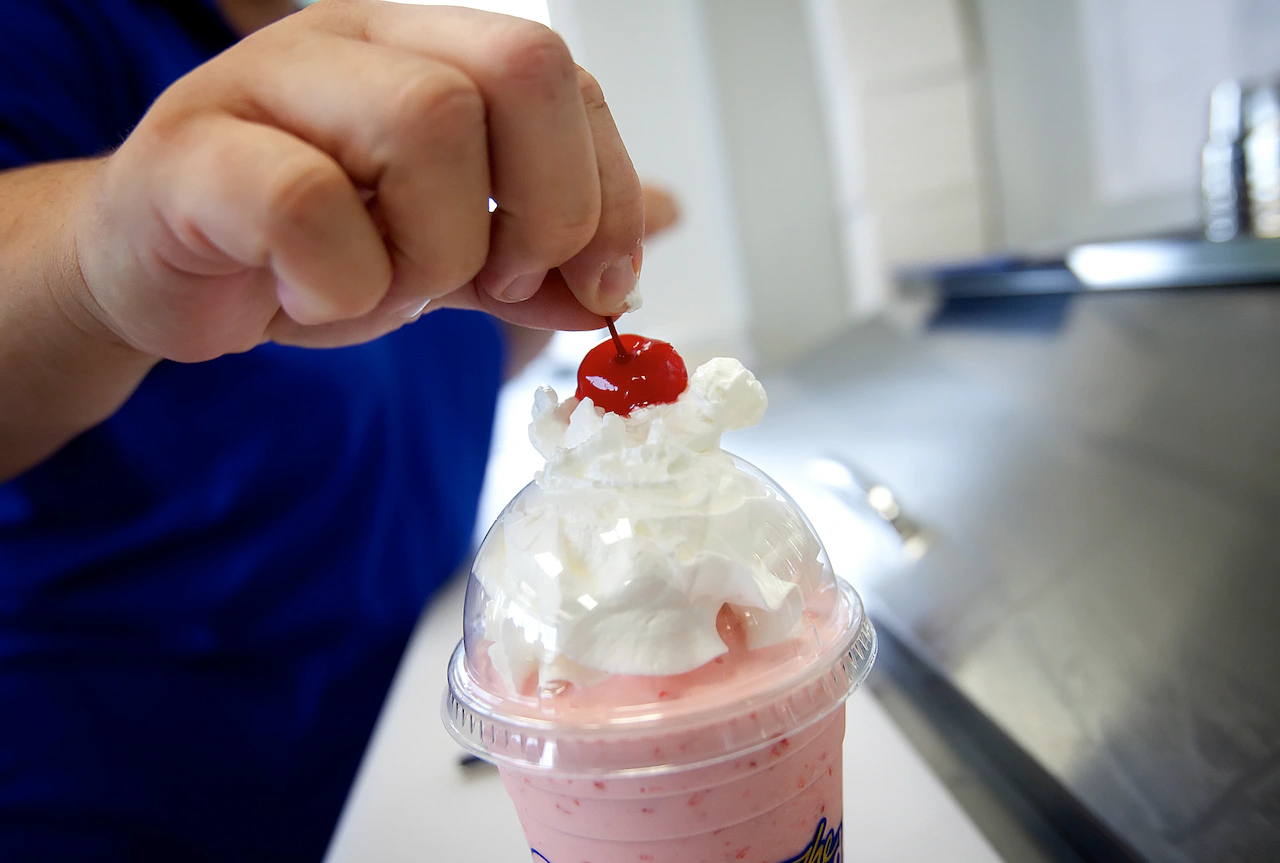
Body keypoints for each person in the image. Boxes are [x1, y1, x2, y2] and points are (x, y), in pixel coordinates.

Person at [0, 0, 673, 858]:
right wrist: (99, 253)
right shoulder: (52, 33)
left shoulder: (387, 106)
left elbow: (405, 376)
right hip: (124, 797)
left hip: (421, 768)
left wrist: (528, 285)